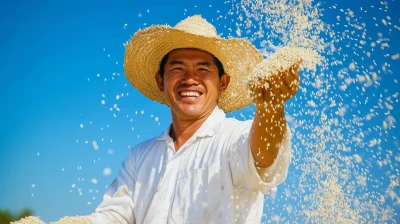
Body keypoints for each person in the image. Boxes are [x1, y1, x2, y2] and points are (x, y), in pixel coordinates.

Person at [15, 15, 300, 224]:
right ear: (160, 80)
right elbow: (115, 216)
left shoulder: (233, 138)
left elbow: (263, 158)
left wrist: (270, 107)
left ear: (223, 83)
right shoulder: (140, 157)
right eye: (177, 68)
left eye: (203, 69)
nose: (190, 78)